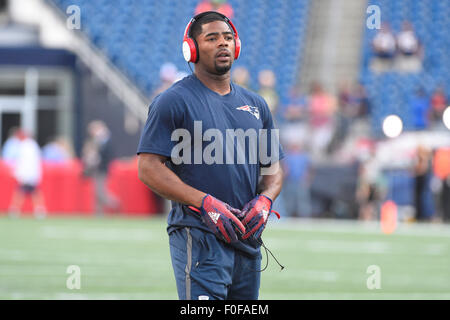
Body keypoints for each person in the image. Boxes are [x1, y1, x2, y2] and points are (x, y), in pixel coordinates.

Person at [137, 11, 284, 300]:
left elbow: (273, 169)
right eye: (212, 38)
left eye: (228, 38)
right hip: (198, 234)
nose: (223, 44)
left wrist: (266, 201)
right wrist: (204, 202)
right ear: (191, 49)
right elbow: (148, 168)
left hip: (247, 238)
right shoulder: (172, 101)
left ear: (237, 46)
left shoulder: (257, 104)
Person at [81, 120, 120, 214]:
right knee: (96, 193)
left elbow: (106, 155)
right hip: (97, 169)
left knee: (100, 192)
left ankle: (116, 205)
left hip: (102, 169)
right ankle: (98, 213)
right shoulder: (98, 140)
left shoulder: (104, 139)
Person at [7, 129, 46, 218]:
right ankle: (38, 210)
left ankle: (38, 210)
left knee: (27, 192)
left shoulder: (26, 146)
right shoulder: (29, 145)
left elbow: (24, 162)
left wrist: (19, 173)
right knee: (29, 192)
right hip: (30, 174)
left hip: (28, 174)